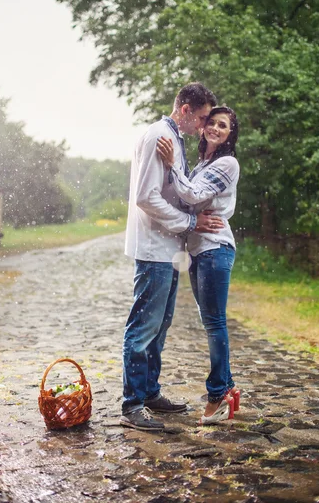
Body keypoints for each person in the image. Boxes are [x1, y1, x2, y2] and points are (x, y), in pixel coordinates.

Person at [120, 82, 224, 431]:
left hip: (169, 247)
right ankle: (132, 404)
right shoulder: (157, 137)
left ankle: (150, 392)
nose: (204, 125)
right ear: (185, 111)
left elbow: (177, 190)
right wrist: (192, 223)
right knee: (143, 328)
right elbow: (146, 197)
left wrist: (188, 224)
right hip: (153, 248)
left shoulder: (175, 140)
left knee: (160, 326)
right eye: (202, 118)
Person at [157, 106, 240, 425]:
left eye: (224, 125)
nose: (216, 128)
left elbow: (192, 195)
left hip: (215, 248)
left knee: (214, 323)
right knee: (211, 321)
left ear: (230, 134)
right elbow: (186, 198)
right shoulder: (205, 163)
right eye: (212, 122)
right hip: (199, 249)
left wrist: (172, 164)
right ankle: (228, 389)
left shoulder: (227, 163)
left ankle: (217, 396)